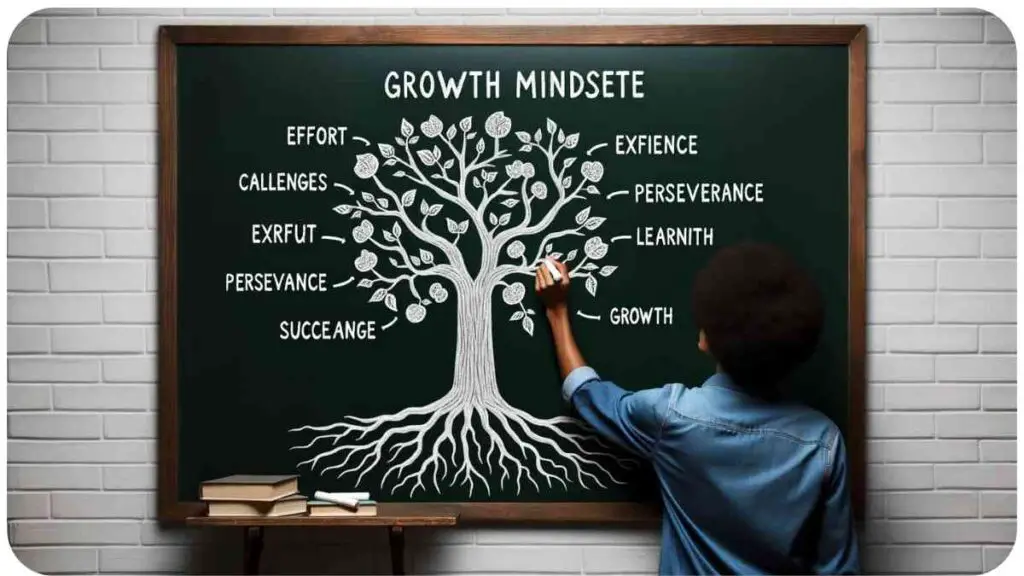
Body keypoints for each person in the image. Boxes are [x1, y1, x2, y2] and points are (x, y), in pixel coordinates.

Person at [535, 243, 859, 575]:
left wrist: (557, 312)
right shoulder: (824, 443)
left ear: (710, 339)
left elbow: (587, 395)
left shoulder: (671, 416)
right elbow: (839, 570)